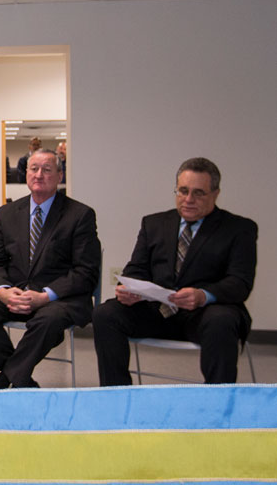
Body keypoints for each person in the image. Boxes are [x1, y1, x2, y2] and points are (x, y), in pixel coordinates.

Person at [93, 157, 256, 385]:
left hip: (205, 314)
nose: (188, 200)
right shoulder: (154, 223)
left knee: (222, 321)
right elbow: (137, 269)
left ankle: (218, 405)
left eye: (198, 193)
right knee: (105, 314)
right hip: (157, 311)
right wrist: (127, 288)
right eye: (183, 191)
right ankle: (117, 395)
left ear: (215, 194)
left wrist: (202, 295)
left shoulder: (239, 229)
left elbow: (240, 282)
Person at [0, 149, 100, 389]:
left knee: (49, 320)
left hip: (58, 300)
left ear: (60, 175)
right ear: (26, 174)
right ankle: (22, 379)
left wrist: (45, 296)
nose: (39, 175)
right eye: (33, 169)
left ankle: (4, 380)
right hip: (16, 294)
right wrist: (3, 291)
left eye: (47, 170)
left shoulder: (79, 215)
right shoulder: (7, 213)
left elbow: (85, 272)